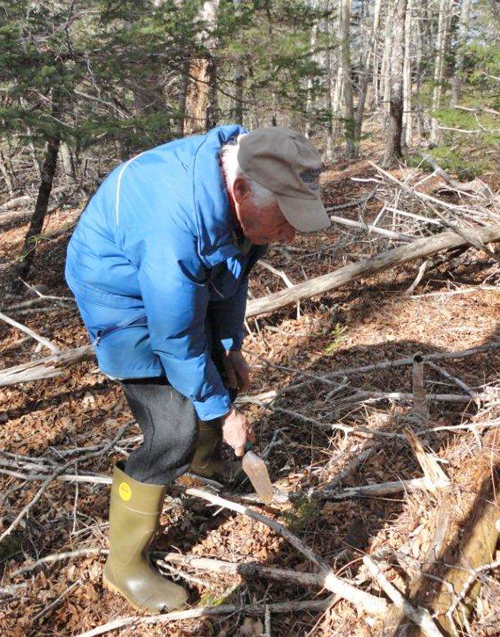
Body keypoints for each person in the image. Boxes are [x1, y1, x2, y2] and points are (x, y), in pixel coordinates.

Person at [65, 125, 330, 614]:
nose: (290, 234)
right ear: (241, 190)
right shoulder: (176, 222)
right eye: (286, 219)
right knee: (172, 430)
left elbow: (233, 276)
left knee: (212, 374)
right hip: (119, 294)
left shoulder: (254, 183)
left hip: (172, 273)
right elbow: (174, 338)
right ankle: (124, 565)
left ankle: (208, 464)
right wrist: (224, 412)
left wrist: (229, 348)